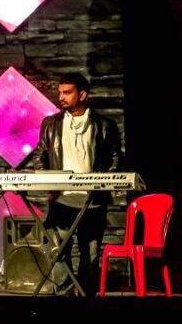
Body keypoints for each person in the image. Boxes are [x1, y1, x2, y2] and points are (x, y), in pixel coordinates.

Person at [32, 72, 123, 295]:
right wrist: (47, 181)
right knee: (58, 252)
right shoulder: (50, 124)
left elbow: (115, 158)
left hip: (92, 200)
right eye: (60, 92)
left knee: (90, 254)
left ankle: (85, 297)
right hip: (61, 200)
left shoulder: (105, 125)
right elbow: (40, 156)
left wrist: (104, 181)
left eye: (67, 92)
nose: (61, 97)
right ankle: (64, 295)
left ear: (82, 95)